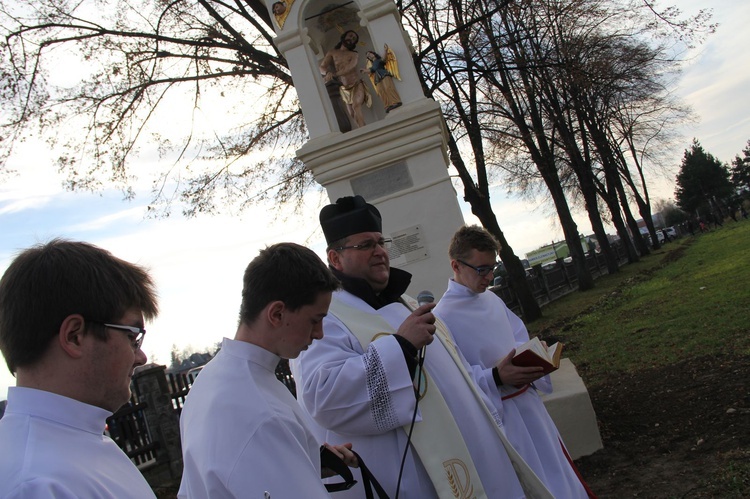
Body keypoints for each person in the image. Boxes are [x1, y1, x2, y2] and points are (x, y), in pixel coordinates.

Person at [292, 195, 552, 499]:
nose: (379, 252)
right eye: (365, 246)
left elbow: (459, 380)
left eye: (380, 242)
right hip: (417, 477)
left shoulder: (407, 304)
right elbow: (324, 397)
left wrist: (495, 378)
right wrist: (400, 347)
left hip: (478, 456)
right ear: (335, 259)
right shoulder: (328, 318)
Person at [178, 242, 358, 498]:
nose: (319, 334)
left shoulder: (211, 378)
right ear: (276, 313)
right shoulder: (261, 411)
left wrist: (307, 460)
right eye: (315, 320)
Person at [434, 225, 594, 498]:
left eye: (492, 267)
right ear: (455, 265)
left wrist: (534, 352)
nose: (489, 276)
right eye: (481, 269)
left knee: (559, 476)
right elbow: (452, 381)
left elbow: (517, 339)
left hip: (530, 407)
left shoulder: (493, 301)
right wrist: (496, 377)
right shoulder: (441, 319)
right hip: (503, 419)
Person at [0, 239, 159, 498]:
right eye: (132, 336)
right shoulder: (36, 485)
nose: (141, 357)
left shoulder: (73, 437)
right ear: (75, 336)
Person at [320, 30, 372, 128]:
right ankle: (364, 128)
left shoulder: (353, 55)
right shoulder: (332, 52)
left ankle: (363, 130)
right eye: (350, 36)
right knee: (352, 114)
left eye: (354, 39)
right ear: (344, 36)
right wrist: (327, 73)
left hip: (356, 84)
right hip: (344, 88)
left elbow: (349, 67)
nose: (351, 39)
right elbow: (322, 67)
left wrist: (335, 74)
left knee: (356, 106)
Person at [362, 46, 402, 113]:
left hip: (383, 74)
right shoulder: (373, 64)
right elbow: (371, 70)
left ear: (373, 53)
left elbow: (384, 59)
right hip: (377, 77)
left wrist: (386, 51)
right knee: (381, 91)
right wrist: (364, 70)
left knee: (388, 87)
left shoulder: (378, 60)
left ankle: (395, 101)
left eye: (370, 54)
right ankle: (387, 105)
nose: (369, 56)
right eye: (368, 56)